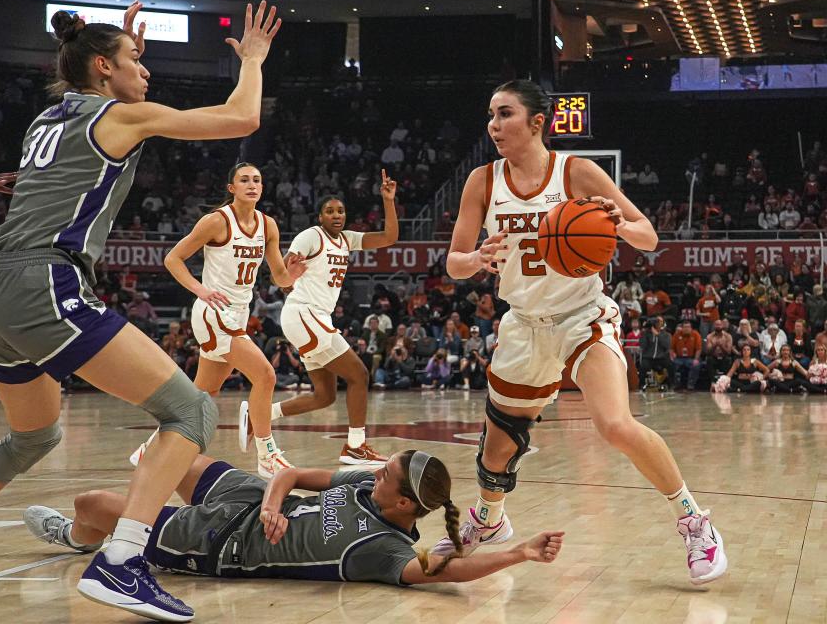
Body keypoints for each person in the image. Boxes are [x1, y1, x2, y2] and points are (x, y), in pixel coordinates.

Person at [0, 2, 281, 622]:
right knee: (192, 410)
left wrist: (129, 53)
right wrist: (254, 59)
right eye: (135, 63)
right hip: (45, 280)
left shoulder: (47, 117)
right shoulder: (121, 115)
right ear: (104, 67)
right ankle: (122, 563)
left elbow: (102, 106)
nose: (146, 73)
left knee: (34, 436)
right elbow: (241, 116)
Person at [441, 79, 726, 585]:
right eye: (490, 115)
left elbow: (648, 235)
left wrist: (617, 222)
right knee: (498, 449)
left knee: (614, 423)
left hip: (582, 317)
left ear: (536, 122)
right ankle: (489, 519)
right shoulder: (482, 182)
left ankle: (694, 521)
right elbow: (455, 264)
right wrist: (477, 257)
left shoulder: (577, 172)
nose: (493, 125)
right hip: (524, 325)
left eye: (504, 114)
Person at [24, 451, 564, 587]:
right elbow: (290, 474)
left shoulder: (382, 551)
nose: (373, 474)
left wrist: (516, 553)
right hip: (252, 497)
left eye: (384, 477)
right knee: (177, 460)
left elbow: (443, 572)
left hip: (223, 544)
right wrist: (270, 503)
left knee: (91, 503)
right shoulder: (363, 486)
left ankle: (79, 539)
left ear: (404, 505)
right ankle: (137, 529)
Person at [162, 162, 306, 479]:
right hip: (214, 312)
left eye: (256, 180)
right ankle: (267, 455)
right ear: (232, 188)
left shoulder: (268, 225)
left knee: (201, 395)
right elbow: (173, 258)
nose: (252, 185)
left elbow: (280, 276)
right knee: (266, 375)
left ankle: (154, 449)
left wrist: (291, 277)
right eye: (244, 180)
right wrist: (201, 290)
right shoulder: (216, 221)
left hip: (239, 312)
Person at [265, 174, 398, 465]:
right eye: (330, 211)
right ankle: (355, 446)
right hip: (304, 313)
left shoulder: (347, 240)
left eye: (340, 211)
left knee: (324, 396)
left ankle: (261, 413)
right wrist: (289, 278)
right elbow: (283, 275)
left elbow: (389, 238)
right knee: (359, 375)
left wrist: (388, 201)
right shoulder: (311, 236)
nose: (337, 215)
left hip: (313, 317)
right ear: (320, 216)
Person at [670, 320, 703, 391]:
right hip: (679, 358)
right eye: (685, 327)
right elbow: (671, 348)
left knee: (696, 365)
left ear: (691, 328)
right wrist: (673, 355)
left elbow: (699, 349)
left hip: (691, 357)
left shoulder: (696, 334)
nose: (687, 329)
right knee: (672, 363)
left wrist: (696, 359)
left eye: (688, 327)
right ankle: (676, 385)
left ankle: (690, 385)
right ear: (682, 328)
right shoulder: (676, 335)